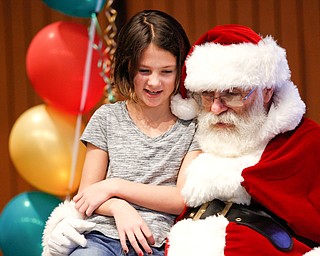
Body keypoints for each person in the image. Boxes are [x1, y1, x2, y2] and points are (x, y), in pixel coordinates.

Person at [42, 10, 201, 256]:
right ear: (128, 66)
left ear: (181, 69)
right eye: (144, 71)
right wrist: (119, 207)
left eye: (166, 72)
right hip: (99, 238)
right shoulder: (107, 118)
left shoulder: (192, 126)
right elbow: (88, 195)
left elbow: (181, 198)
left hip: (154, 245)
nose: (155, 82)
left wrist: (115, 185)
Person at [167, 24, 320, 255]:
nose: (217, 108)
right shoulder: (188, 139)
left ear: (267, 91)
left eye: (232, 94)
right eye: (207, 95)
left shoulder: (306, 144)